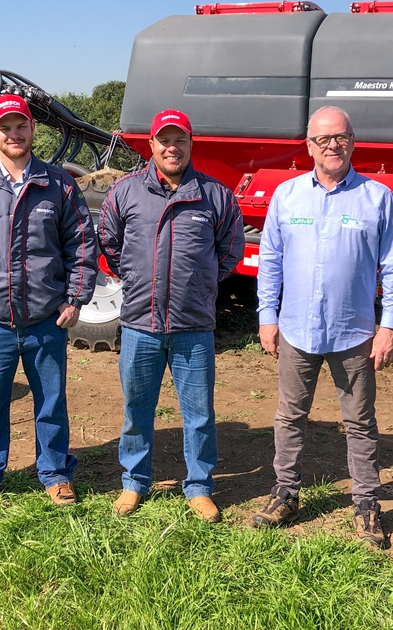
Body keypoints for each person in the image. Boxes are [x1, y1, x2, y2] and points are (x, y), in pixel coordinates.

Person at [251, 106, 393, 547]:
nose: (331, 146)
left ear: (353, 140)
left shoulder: (378, 198)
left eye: (339, 137)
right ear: (309, 146)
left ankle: (366, 505)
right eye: (322, 139)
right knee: (289, 415)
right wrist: (267, 315)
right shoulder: (287, 195)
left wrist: (389, 326)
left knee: (359, 422)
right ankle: (285, 493)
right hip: (296, 329)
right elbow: (270, 262)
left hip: (354, 332)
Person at [0, 94, 98, 512]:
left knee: (50, 402)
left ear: (32, 130)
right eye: (5, 127)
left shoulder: (58, 183)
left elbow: (82, 243)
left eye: (21, 125)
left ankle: (56, 474)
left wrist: (75, 299)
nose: (15, 133)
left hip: (46, 318)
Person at [99, 109, 244, 522]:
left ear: (191, 143)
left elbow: (231, 249)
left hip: (192, 327)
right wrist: (135, 275)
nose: (171, 147)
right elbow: (110, 245)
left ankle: (198, 486)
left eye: (179, 139)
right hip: (139, 325)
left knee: (198, 414)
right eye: (164, 139)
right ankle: (133, 482)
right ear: (151, 145)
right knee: (136, 410)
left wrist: (200, 283)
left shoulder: (214, 195)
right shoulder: (125, 192)